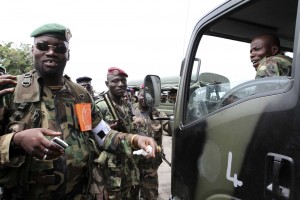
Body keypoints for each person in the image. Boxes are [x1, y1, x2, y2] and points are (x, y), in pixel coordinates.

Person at [0, 23, 157, 200]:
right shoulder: (11, 91)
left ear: (68, 54)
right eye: (43, 46)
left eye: (60, 48)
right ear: (32, 50)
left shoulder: (80, 96)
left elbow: (103, 135)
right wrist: (15, 140)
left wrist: (136, 139)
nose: (51, 52)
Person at [96, 67, 139, 200]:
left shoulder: (126, 104)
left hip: (127, 164)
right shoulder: (100, 106)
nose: (121, 84)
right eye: (115, 81)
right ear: (107, 84)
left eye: (123, 81)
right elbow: (90, 138)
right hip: (110, 170)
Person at [132, 84, 169, 200]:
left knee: (151, 195)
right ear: (138, 95)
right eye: (142, 94)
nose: (144, 98)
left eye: (147, 95)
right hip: (132, 164)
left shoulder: (157, 114)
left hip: (150, 165)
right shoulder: (129, 111)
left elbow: (170, 127)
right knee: (131, 194)